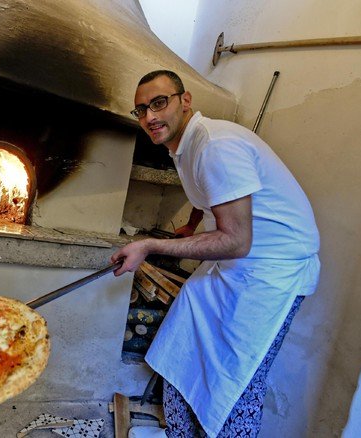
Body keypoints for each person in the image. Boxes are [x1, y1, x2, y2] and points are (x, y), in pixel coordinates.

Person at [111, 70, 320, 437]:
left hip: (270, 274)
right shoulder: (185, 144)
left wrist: (149, 244)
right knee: (176, 353)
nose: (150, 117)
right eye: (141, 110)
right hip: (237, 263)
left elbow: (237, 240)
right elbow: (209, 192)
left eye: (159, 103)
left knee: (235, 387)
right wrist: (192, 226)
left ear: (185, 100)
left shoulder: (216, 145)